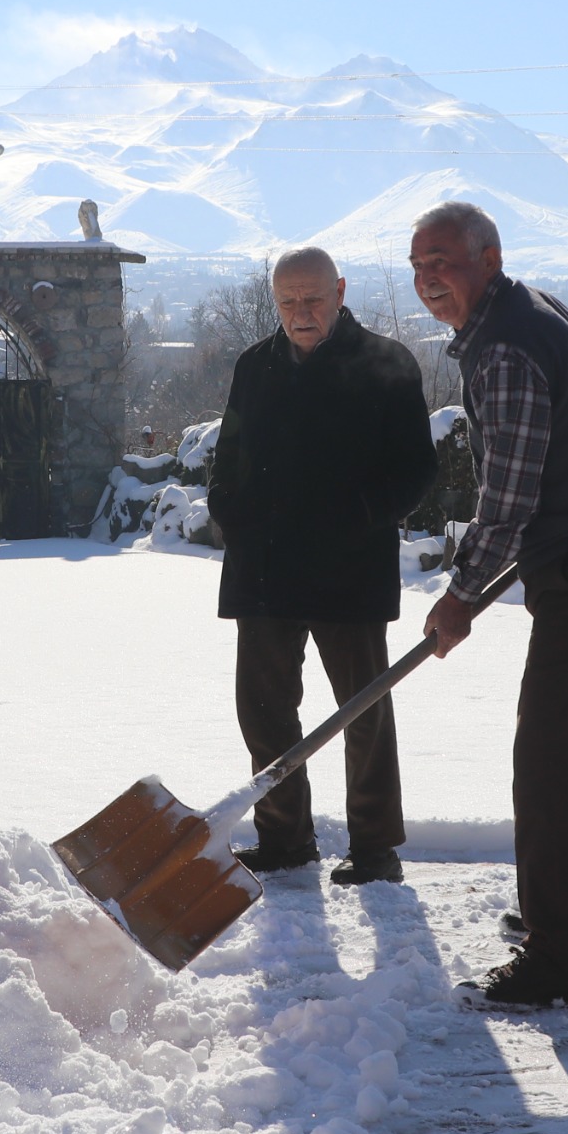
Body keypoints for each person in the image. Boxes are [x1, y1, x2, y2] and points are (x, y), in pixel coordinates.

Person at [410, 201, 568, 1009]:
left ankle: (558, 964)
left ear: (489, 257)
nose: (428, 278)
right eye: (418, 265)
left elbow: (508, 496)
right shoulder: (531, 308)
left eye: (443, 260)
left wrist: (461, 594)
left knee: (551, 763)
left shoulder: (505, 348)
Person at [210, 246, 437, 884]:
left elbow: (416, 469)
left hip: (350, 570)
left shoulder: (386, 363)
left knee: (363, 712)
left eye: (312, 298)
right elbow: (228, 455)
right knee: (263, 711)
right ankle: (285, 839)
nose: (300, 312)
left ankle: (375, 848)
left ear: (339, 291)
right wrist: (231, 510)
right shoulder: (254, 365)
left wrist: (357, 516)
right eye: (287, 301)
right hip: (264, 570)